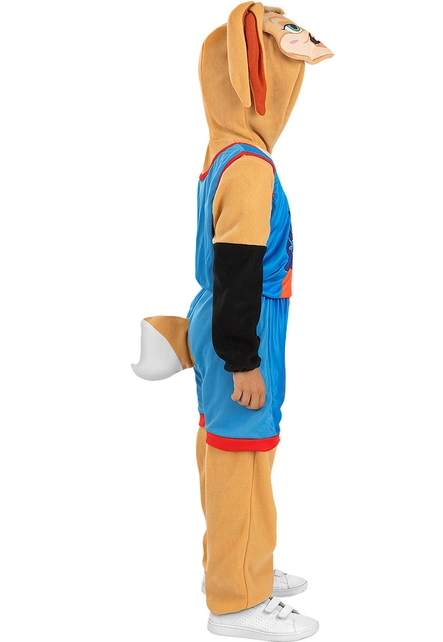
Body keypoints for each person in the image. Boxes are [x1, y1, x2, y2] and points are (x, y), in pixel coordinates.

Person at [132, 3, 333, 639]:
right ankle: (238, 602)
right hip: (242, 329)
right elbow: (240, 268)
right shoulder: (250, 167)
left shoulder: (224, 152)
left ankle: (243, 563)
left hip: (228, 318)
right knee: (240, 458)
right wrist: (242, 359)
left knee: (237, 452)